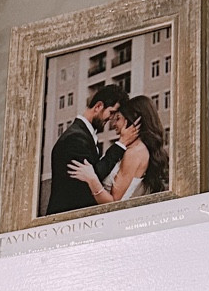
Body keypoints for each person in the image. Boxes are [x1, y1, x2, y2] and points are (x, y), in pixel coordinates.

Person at [42, 82, 127, 215]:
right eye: (111, 112)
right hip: (67, 219)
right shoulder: (75, 138)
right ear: (98, 106)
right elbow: (91, 180)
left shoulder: (84, 134)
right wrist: (121, 144)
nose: (111, 119)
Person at [71, 91, 169, 206]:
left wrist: (92, 179)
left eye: (118, 118)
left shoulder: (134, 153)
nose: (113, 124)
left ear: (133, 120)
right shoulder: (129, 149)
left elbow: (114, 202)